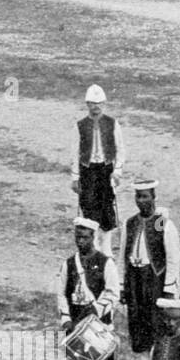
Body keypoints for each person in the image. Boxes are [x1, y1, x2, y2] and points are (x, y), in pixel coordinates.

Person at [58, 217, 121, 360]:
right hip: (76, 320)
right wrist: (66, 317)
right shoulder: (69, 263)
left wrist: (95, 309)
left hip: (98, 321)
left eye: (85, 237)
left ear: (93, 237)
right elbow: (61, 293)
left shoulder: (105, 262)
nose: (80, 241)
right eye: (78, 237)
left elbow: (113, 292)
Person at [120, 180, 180, 360]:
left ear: (154, 197)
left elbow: (173, 255)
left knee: (156, 320)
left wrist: (169, 286)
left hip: (154, 276)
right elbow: (122, 254)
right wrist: (122, 284)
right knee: (137, 319)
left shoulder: (160, 221)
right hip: (134, 276)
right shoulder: (131, 222)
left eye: (145, 196)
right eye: (138, 196)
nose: (141, 200)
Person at [72, 84, 124, 254]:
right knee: (88, 205)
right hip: (87, 171)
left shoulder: (112, 124)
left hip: (106, 169)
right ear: (87, 104)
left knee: (106, 205)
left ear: (104, 103)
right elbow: (75, 151)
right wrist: (75, 176)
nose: (96, 107)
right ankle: (93, 246)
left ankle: (106, 248)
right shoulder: (80, 125)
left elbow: (120, 148)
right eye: (93, 103)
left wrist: (117, 170)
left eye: (99, 103)